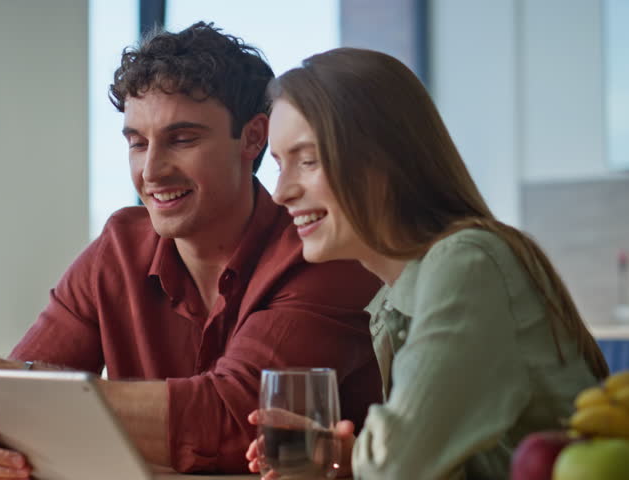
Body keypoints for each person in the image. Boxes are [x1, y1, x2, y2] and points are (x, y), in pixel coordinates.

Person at [0, 24, 383, 478]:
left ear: (253, 138)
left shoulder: (322, 254)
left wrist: (7, 387)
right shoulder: (119, 246)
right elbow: (19, 399)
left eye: (182, 139)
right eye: (137, 143)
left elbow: (233, 420)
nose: (151, 171)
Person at [245, 47, 609, 479]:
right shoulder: (398, 296)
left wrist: (357, 458)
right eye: (279, 165)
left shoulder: (467, 264)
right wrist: (347, 457)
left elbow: (399, 468)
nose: (280, 192)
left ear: (383, 161)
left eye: (307, 160)